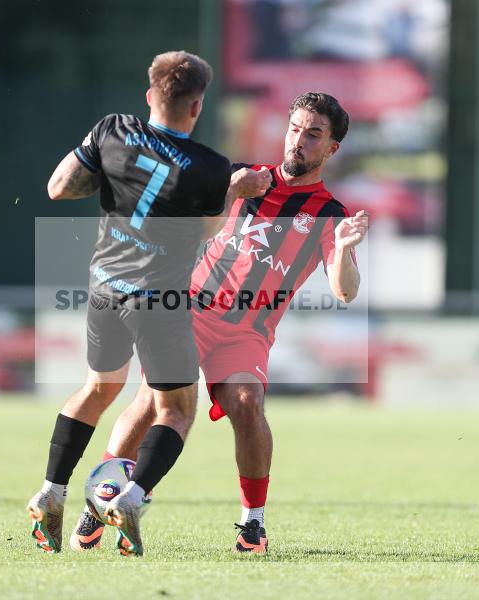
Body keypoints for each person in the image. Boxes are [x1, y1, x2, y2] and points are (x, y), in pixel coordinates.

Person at [69, 92, 369, 554]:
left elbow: (344, 291)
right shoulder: (243, 178)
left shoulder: (329, 215)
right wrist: (229, 191)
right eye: (295, 128)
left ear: (331, 149)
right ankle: (98, 505)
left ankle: (253, 524)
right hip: (189, 311)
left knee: (248, 403)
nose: (299, 141)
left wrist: (346, 248)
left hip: (247, 333)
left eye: (314, 135)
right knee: (151, 403)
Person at [26, 50, 241, 557]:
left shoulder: (112, 130)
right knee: (177, 409)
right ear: (197, 107)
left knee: (97, 389)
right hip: (157, 298)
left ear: (150, 96)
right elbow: (209, 234)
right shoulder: (210, 167)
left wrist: (115, 173)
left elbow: (58, 188)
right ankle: (133, 497)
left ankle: (50, 491)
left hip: (103, 287)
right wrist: (233, 192)